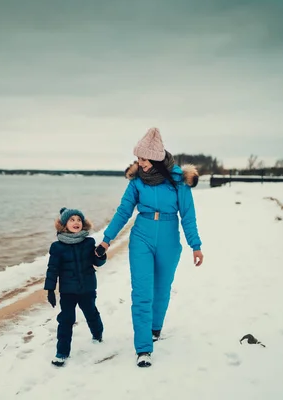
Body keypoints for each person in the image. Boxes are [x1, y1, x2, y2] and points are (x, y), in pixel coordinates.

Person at [97, 127, 204, 368]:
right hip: (141, 237)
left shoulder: (178, 181)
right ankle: (143, 347)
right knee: (142, 292)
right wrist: (106, 239)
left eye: (143, 159)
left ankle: (156, 327)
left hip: (168, 238)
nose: (139, 163)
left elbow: (188, 216)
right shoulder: (137, 182)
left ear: (155, 157)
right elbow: (124, 210)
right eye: (138, 159)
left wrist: (195, 245)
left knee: (162, 289)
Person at [44, 207, 108, 367]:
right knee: (66, 320)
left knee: (91, 313)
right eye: (72, 220)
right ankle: (62, 352)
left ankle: (98, 334)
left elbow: (97, 262)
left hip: (87, 288)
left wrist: (101, 255)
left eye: (79, 219)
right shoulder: (57, 247)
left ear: (83, 223)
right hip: (67, 291)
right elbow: (52, 269)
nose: (76, 222)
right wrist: (50, 289)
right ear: (64, 224)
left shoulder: (89, 242)